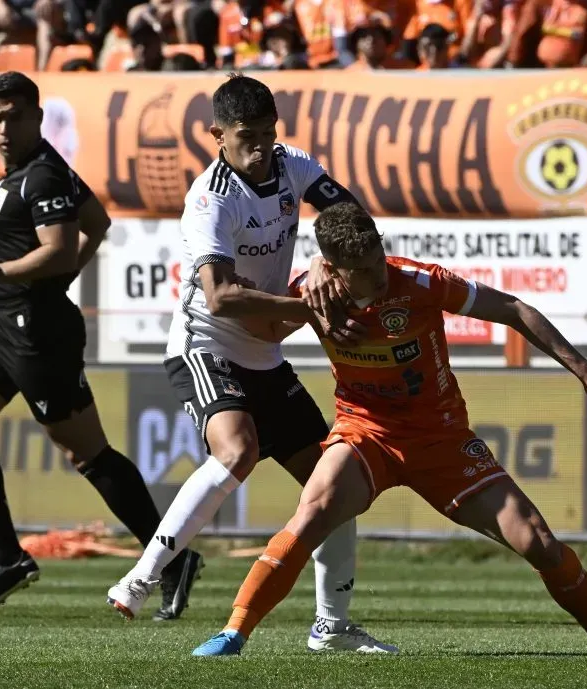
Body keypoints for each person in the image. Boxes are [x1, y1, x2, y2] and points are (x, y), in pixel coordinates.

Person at [191, 202, 587, 658]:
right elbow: (258, 334)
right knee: (312, 513)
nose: (376, 276)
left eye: (377, 258)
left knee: (537, 541)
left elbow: (513, 309)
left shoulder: (420, 282)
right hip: (366, 433)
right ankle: (234, 631)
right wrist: (298, 303)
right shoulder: (313, 293)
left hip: (442, 438)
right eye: (359, 270)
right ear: (333, 268)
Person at [104, 74, 396, 654]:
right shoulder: (208, 200)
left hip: (264, 352)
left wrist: (324, 263)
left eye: (268, 133)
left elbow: (354, 224)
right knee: (237, 450)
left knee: (334, 486)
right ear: (217, 136)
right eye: (247, 137)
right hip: (205, 343)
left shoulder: (293, 165)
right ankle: (143, 575)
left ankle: (332, 627)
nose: (262, 148)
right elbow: (220, 297)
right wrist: (308, 306)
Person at [0, 71, 201, 617]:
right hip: (10, 325)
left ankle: (171, 558)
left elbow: (58, 247)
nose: (3, 128)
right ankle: (9, 559)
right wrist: (47, 278)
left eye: (13, 117)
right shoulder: (32, 171)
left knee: (89, 453)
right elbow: (97, 222)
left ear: (35, 115)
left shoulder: (43, 176)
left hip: (40, 335)